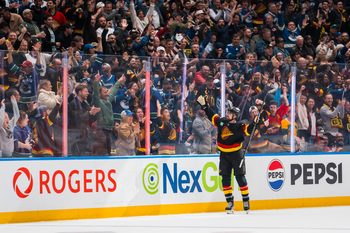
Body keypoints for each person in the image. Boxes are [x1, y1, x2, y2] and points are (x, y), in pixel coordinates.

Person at [196, 95, 258, 213]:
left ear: (234, 116)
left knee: (240, 177)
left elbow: (248, 130)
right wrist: (204, 106)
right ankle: (230, 203)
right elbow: (211, 115)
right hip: (224, 155)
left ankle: (245, 200)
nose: (227, 114)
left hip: (236, 154)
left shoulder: (239, 126)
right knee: (225, 179)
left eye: (230, 113)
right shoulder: (221, 122)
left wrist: (254, 122)